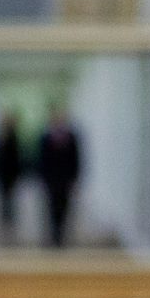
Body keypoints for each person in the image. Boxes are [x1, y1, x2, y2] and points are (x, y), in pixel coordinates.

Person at [37, 107, 83, 249]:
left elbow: (76, 160)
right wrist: (43, 178)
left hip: (65, 179)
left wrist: (75, 178)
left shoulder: (71, 137)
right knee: (52, 207)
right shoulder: (45, 138)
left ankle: (60, 234)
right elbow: (41, 160)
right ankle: (54, 234)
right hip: (51, 179)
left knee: (64, 207)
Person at [0, 108, 24, 242]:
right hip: (2, 175)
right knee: (5, 201)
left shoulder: (12, 137)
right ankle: (5, 225)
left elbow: (17, 159)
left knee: (9, 201)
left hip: (10, 175)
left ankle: (9, 225)